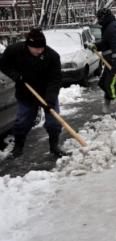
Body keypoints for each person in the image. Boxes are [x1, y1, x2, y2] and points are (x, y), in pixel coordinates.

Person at [0, 28, 64, 158]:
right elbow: (3, 64)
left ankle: (54, 146)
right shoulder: (15, 50)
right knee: (23, 121)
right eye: (36, 48)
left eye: (42, 48)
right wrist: (15, 75)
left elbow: (55, 80)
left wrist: (50, 101)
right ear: (28, 45)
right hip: (26, 93)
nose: (40, 51)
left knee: (54, 121)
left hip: (47, 92)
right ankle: (18, 146)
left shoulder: (52, 56)